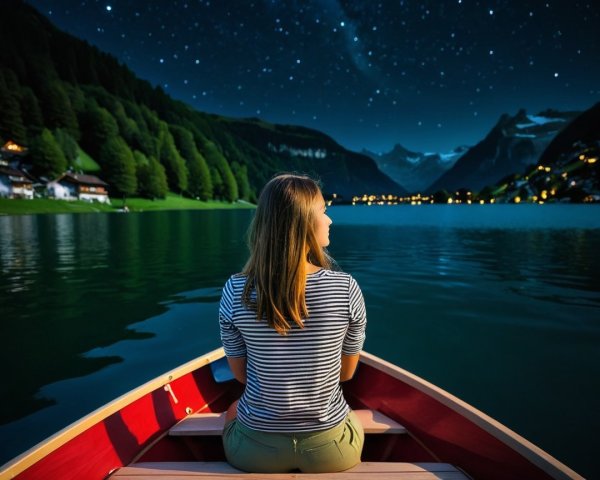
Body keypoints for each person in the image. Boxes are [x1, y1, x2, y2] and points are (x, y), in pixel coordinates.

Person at [218, 173, 367, 473]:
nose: (330, 220)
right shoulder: (345, 288)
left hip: (253, 454)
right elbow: (346, 374)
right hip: (332, 452)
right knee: (352, 419)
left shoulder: (235, 291)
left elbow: (242, 378)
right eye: (324, 211)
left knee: (232, 410)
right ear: (303, 223)